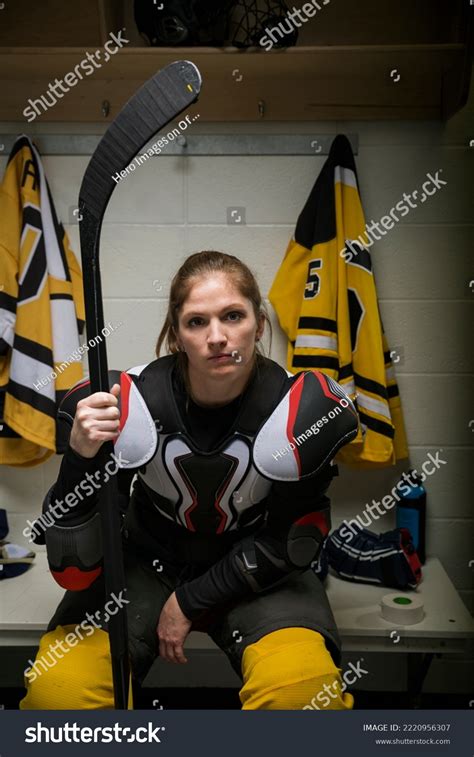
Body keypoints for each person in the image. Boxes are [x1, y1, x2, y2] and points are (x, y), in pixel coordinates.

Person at [20, 250, 357, 711]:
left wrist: (189, 601)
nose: (217, 338)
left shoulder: (297, 411)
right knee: (59, 695)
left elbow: (292, 542)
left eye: (233, 316)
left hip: (257, 572)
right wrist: (81, 456)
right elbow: (73, 565)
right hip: (147, 564)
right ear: (176, 336)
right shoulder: (132, 402)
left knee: (302, 699)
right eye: (197, 322)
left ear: (259, 325)